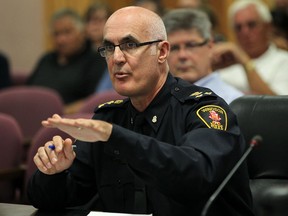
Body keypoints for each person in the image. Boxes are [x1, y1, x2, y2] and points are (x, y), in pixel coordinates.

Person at [27, 6, 254, 216]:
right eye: (109, 48)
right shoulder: (110, 117)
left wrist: (115, 137)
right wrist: (52, 172)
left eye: (130, 45)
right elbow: (55, 199)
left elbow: (196, 175)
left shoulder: (203, 109)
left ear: (162, 52)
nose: (116, 58)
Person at [26, 8, 107, 113]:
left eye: (67, 32)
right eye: (56, 34)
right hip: (33, 116)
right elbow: (28, 90)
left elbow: (95, 100)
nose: (61, 40)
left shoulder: (95, 61)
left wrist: (59, 113)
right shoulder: (46, 59)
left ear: (82, 33)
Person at [163, 8, 243, 104]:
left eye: (191, 45)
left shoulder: (233, 102)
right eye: (174, 48)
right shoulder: (155, 102)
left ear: (210, 46)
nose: (182, 55)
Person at [213, 0, 288, 95]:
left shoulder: (283, 61)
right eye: (238, 27)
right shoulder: (224, 62)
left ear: (267, 26)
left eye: (251, 25)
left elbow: (277, 106)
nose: (245, 32)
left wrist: (245, 62)